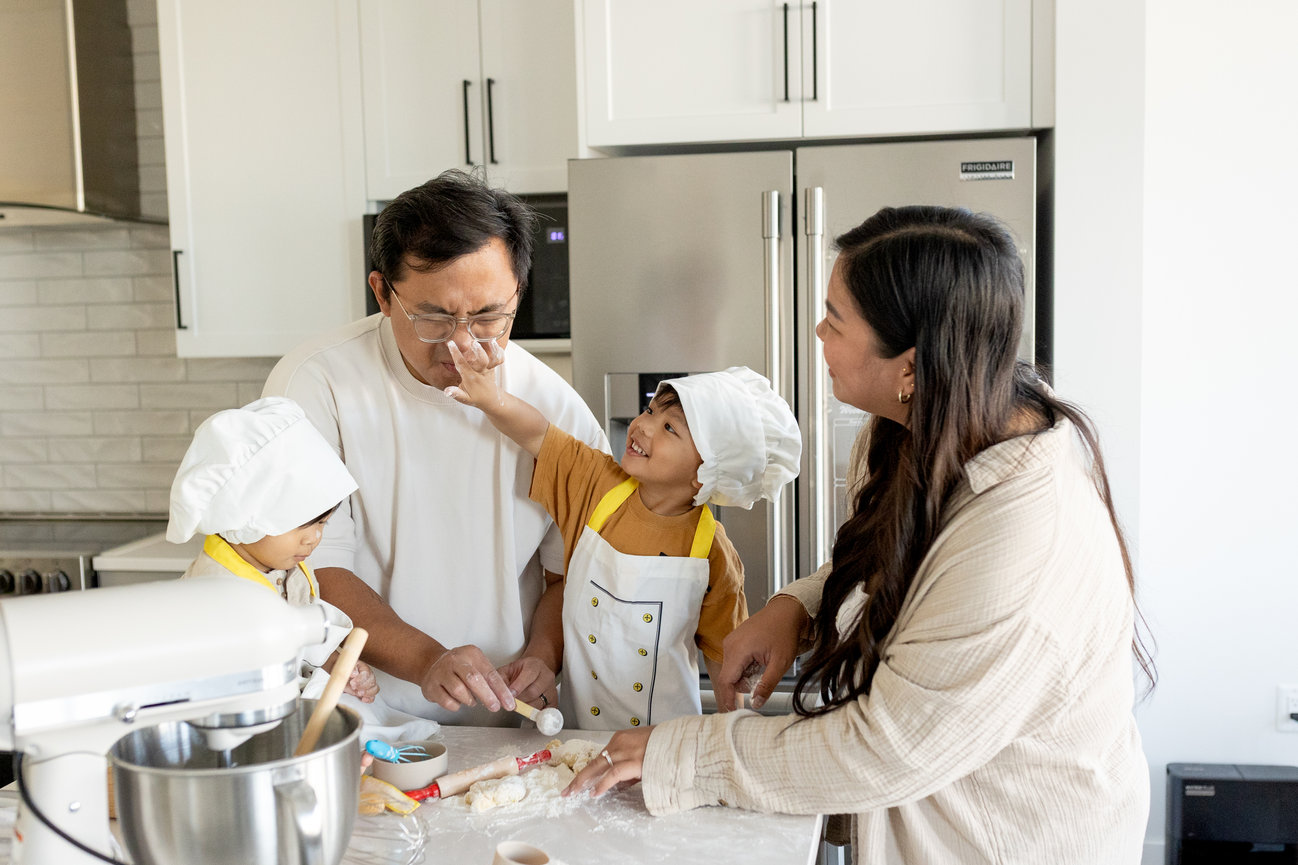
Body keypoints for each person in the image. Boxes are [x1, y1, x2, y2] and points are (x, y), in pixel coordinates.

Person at [566, 206, 1155, 865]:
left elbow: (888, 746)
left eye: (834, 317)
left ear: (908, 365)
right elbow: (906, 563)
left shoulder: (1025, 540)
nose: (817, 330)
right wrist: (803, 605)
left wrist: (684, 754)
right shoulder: (929, 421)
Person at [262, 169, 608, 726]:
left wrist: (544, 655)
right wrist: (426, 659)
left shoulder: (554, 412)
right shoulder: (315, 383)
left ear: (518, 292)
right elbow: (311, 565)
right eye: (434, 317)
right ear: (381, 292)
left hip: (504, 717)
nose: (462, 343)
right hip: (358, 713)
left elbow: (572, 572)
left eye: (489, 316)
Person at [447, 350, 801, 730]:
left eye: (670, 428)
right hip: (577, 735)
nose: (644, 426)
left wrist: (735, 726)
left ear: (705, 473)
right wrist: (489, 397)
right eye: (651, 412)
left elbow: (723, 657)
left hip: (664, 743)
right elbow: (538, 433)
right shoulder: (595, 484)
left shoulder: (711, 551)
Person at [167, 396, 378, 703]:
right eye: (302, 525)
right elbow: (247, 692)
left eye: (323, 524)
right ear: (246, 517)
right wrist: (322, 684)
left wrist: (339, 666)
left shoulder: (283, 565)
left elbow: (304, 645)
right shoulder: (218, 595)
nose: (314, 538)